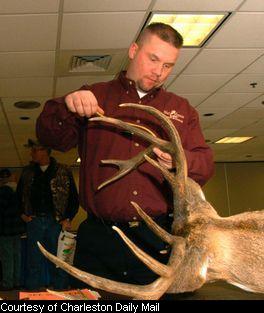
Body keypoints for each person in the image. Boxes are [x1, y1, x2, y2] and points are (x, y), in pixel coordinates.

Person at [36, 22, 214, 286]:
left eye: (168, 66)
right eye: (153, 59)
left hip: (158, 239)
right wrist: (67, 104)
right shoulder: (94, 95)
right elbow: (49, 137)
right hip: (99, 238)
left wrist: (181, 160)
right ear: (133, 50)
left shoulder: (182, 110)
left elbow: (205, 165)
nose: (158, 72)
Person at [16, 139, 79, 290]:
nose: (31, 153)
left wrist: (67, 218)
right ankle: (33, 292)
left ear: (44, 151)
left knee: (58, 259)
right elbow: (18, 197)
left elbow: (73, 198)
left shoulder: (63, 171)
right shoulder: (27, 172)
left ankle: (61, 290)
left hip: (56, 222)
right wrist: (22, 215)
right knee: (33, 259)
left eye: (35, 150)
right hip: (34, 221)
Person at [0, 168, 25, 291]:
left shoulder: (3, 191)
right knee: (17, 256)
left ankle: (7, 283)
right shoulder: (18, 190)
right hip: (17, 229)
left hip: (6, 229)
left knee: (7, 257)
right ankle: (17, 281)